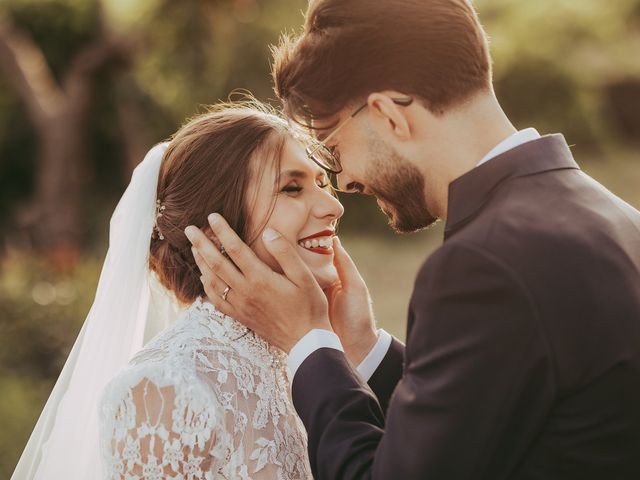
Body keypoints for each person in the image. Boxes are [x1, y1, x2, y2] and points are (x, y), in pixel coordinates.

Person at [185, 1, 640, 479]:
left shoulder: (483, 264)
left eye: (335, 151)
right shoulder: (615, 217)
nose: (346, 186)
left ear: (388, 115)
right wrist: (361, 347)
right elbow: (488, 414)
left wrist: (307, 342)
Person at [12, 101, 360, 479]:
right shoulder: (163, 389)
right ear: (214, 233)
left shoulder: (317, 355)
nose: (332, 207)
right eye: (292, 188)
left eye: (322, 183)